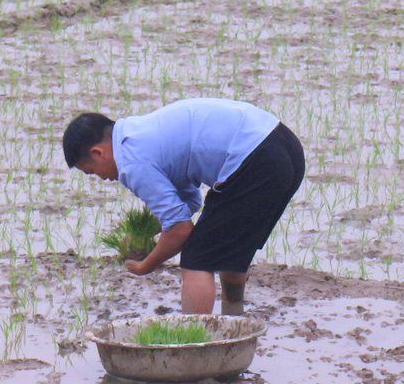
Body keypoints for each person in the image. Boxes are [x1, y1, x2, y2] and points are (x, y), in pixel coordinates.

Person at [62, 98, 304, 315]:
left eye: (91, 171)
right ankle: (233, 321)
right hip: (284, 146)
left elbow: (180, 229)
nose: (102, 178)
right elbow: (189, 202)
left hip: (254, 158)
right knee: (230, 248)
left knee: (197, 258)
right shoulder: (140, 132)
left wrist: (145, 265)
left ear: (98, 152)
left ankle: (196, 343)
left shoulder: (131, 162)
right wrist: (146, 232)